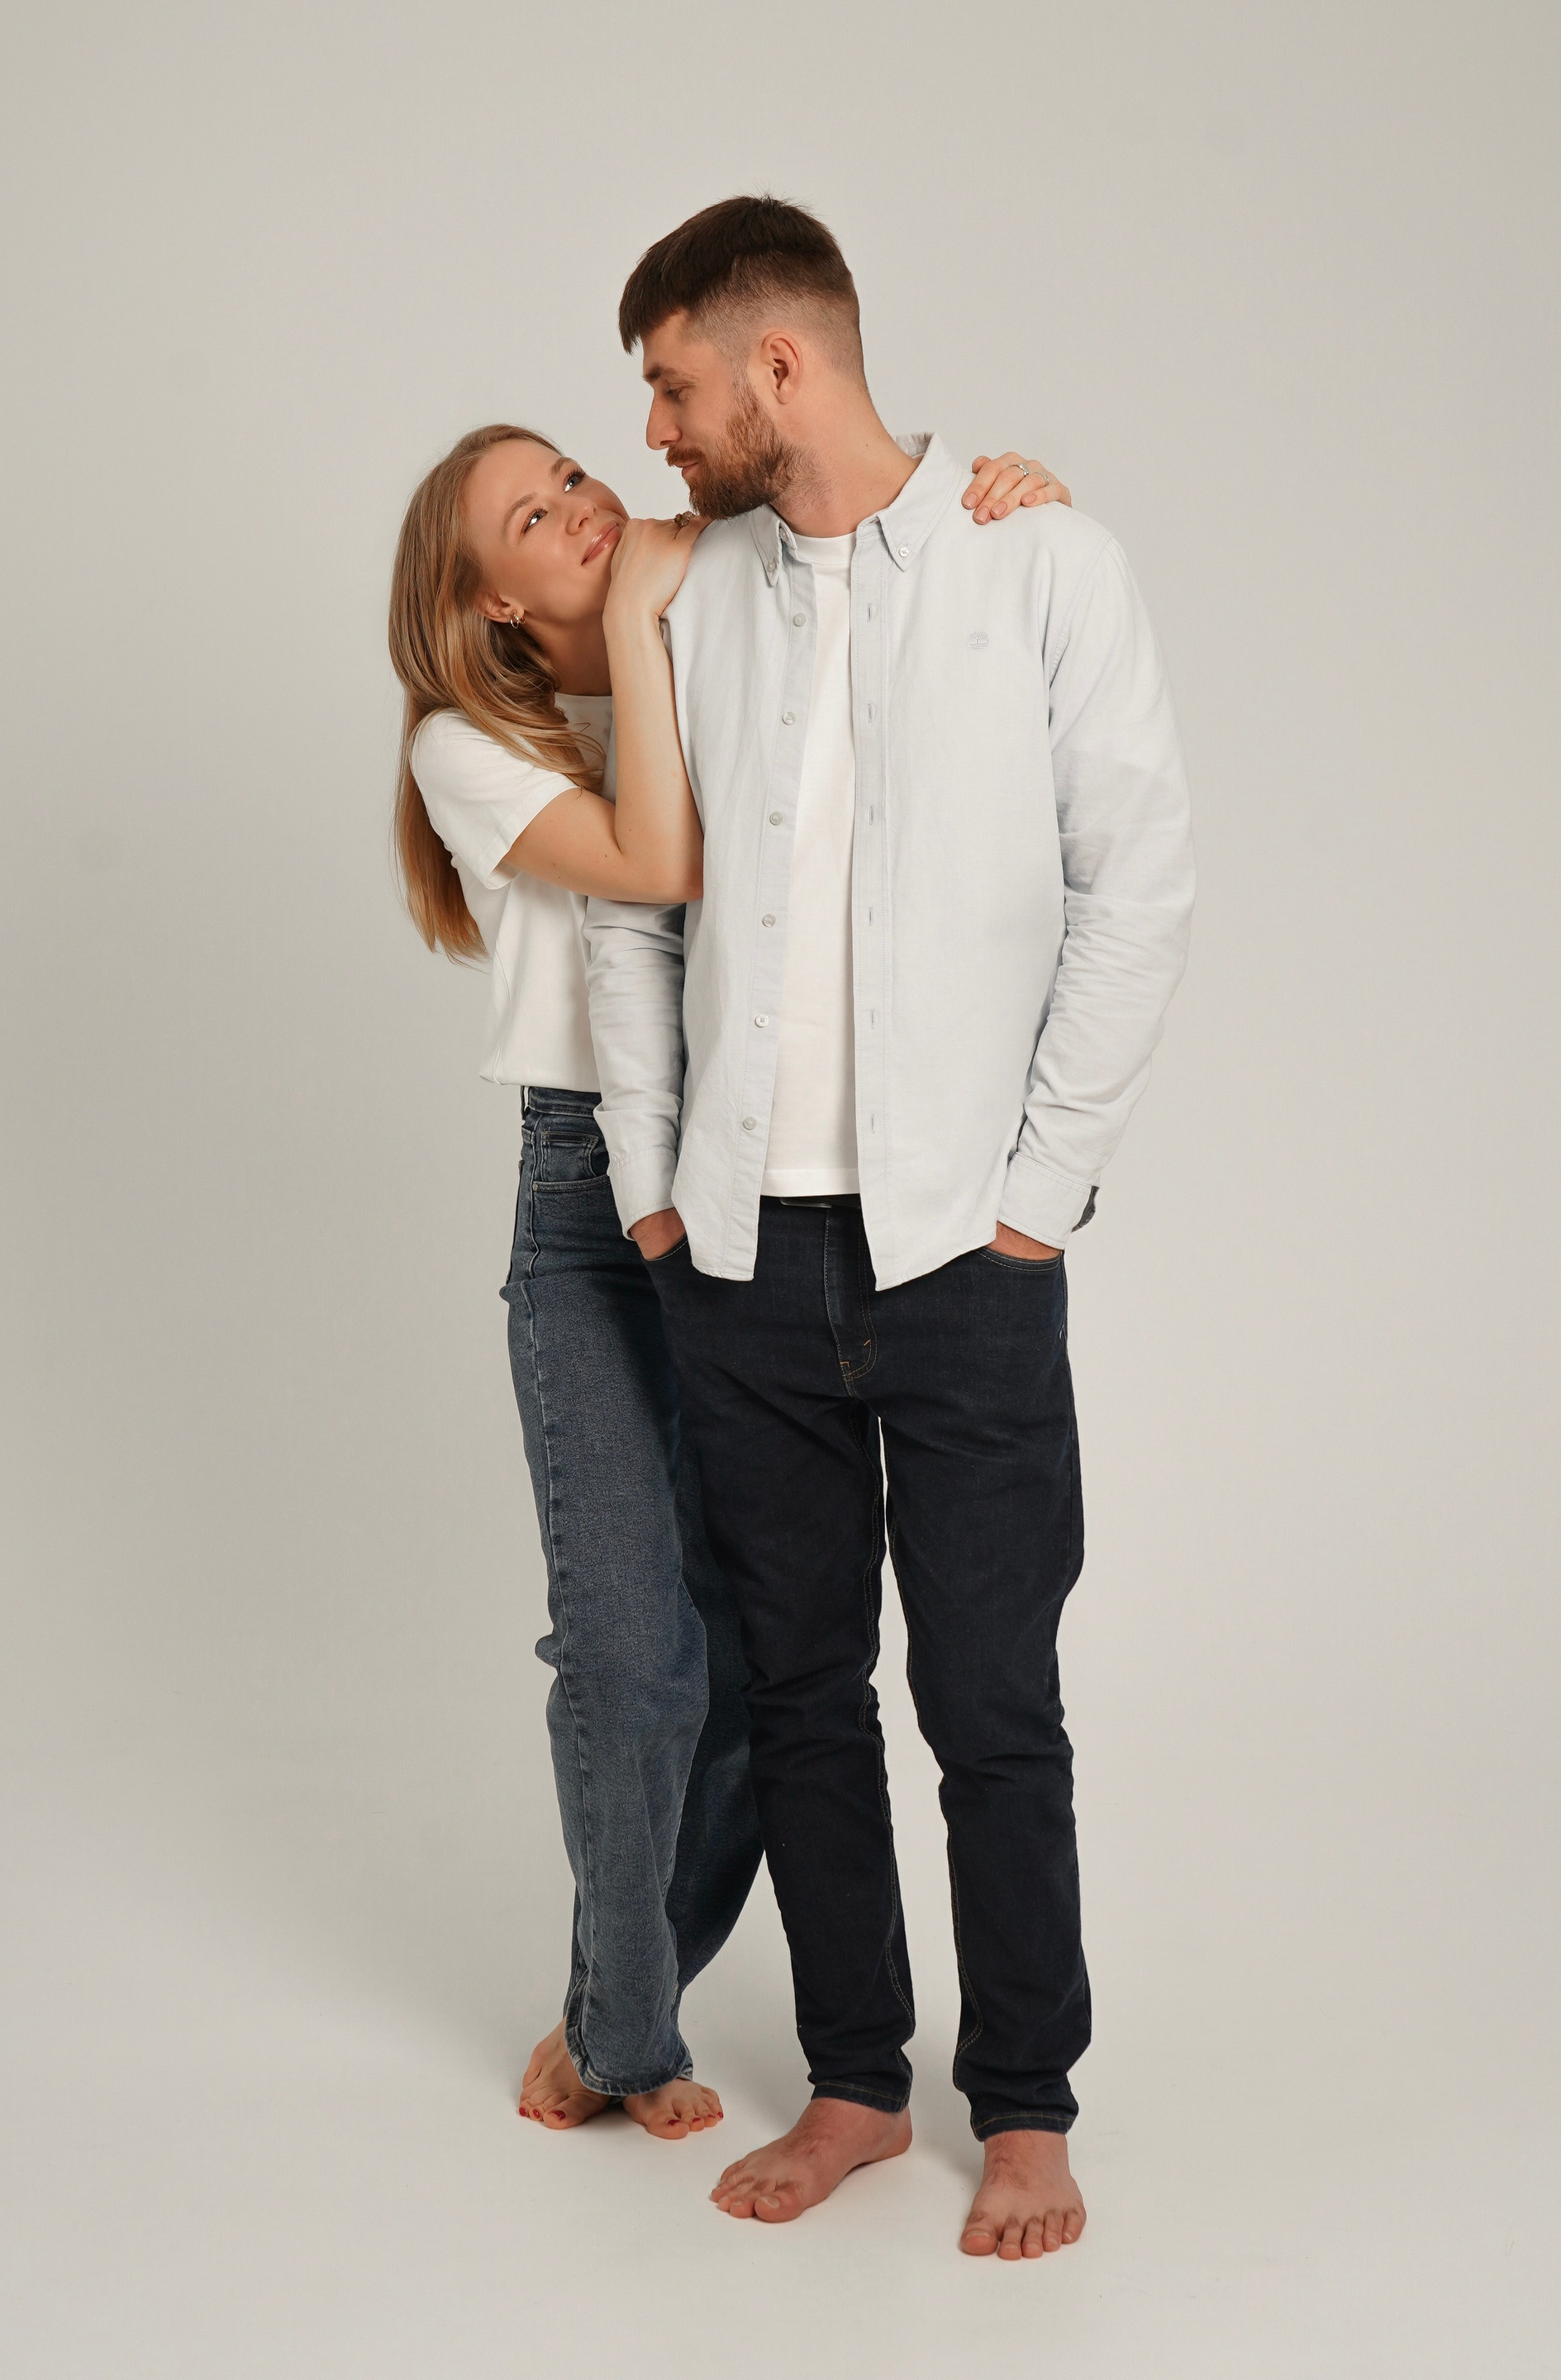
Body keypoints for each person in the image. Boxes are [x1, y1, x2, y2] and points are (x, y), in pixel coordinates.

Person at [583, 195, 1194, 2254]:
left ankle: (1024, 2107)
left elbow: (1138, 881)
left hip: (962, 1257)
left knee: (993, 1705)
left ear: (778, 362)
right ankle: (857, 2079)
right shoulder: (694, 593)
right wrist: (656, 1189)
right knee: (799, 1693)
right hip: (743, 1256)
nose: (653, 429)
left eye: (672, 383)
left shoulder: (1043, 561)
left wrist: (1036, 1200)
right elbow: (642, 912)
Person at [387, 421, 1069, 2141]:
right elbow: (660, 869)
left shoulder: (712, 621)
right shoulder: (473, 742)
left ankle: (620, 2003)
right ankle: (622, 2034)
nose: (581, 504)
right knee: (631, 1649)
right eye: (531, 515)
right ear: (485, 601)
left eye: (571, 475)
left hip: (758, 1178)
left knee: (775, 1656)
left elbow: (857, 542)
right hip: (588, 1200)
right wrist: (648, 617)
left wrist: (1001, 508)